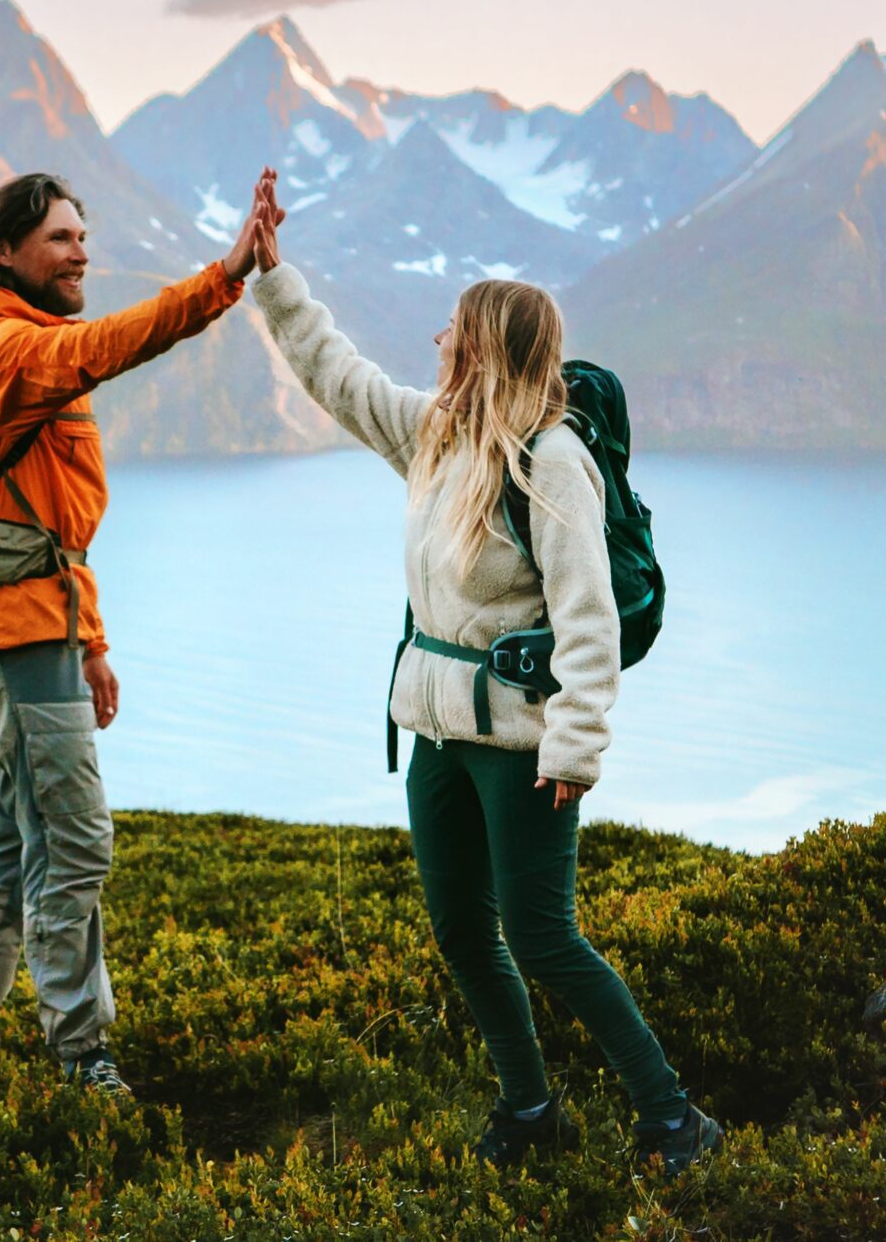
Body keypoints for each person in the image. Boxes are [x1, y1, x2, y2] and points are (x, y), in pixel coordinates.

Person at [242, 179, 723, 1173]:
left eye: (452, 333)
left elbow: (587, 617)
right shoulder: (437, 436)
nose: (435, 346)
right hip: (438, 736)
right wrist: (271, 274)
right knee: (464, 932)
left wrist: (575, 748)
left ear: (485, 348)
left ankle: (673, 1116)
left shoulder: (552, 463)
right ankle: (529, 1108)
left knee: (544, 938)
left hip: (519, 747)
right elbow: (338, 376)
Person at [0, 168, 273, 1098]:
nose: (83, 253)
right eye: (60, 241)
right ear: (6, 253)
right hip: (15, 630)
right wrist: (224, 273)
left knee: (18, 831)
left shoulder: (12, 338)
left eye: (82, 236)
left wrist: (94, 641)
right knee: (73, 842)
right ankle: (81, 1055)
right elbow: (111, 347)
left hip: (32, 619)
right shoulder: (1, 351)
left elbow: (48, 518)